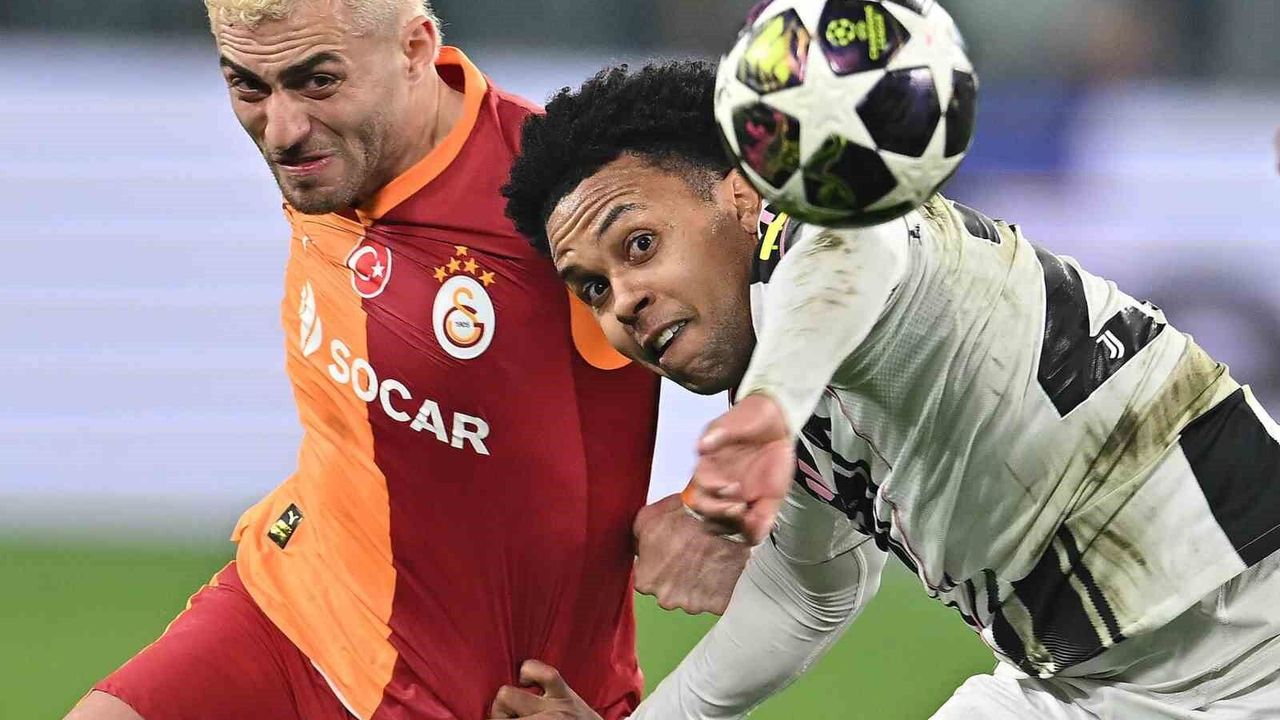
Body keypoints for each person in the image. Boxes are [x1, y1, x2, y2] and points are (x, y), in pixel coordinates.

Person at [493, 61, 1280, 718]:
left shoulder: (831, 235)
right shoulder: (792, 393)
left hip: (1252, 640)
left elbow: (852, 253)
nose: (624, 301)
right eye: (593, 288)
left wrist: (767, 413)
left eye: (639, 244)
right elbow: (802, 599)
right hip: (1084, 684)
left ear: (743, 195)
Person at [66, 5, 747, 720]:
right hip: (290, 616)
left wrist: (725, 503)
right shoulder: (327, 160)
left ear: (415, 48)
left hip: (503, 696)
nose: (282, 130)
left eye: (319, 82)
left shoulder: (561, 197)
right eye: (249, 87)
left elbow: (780, 308)